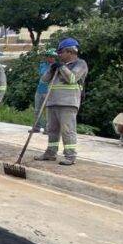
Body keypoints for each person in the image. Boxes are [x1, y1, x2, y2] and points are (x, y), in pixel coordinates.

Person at [35, 37, 88, 166]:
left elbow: (72, 78)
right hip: (52, 101)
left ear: (70, 52)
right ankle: (51, 152)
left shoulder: (80, 64)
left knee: (67, 130)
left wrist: (62, 67)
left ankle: (70, 156)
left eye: (61, 52)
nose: (59, 55)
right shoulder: (57, 66)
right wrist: (52, 69)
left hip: (68, 103)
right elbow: (44, 79)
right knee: (52, 129)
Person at [33, 49, 57, 132]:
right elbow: (42, 74)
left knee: (48, 110)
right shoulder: (43, 65)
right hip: (40, 90)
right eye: (49, 56)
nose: (51, 58)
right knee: (37, 109)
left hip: (49, 91)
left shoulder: (56, 66)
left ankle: (47, 129)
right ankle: (36, 127)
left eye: (53, 57)